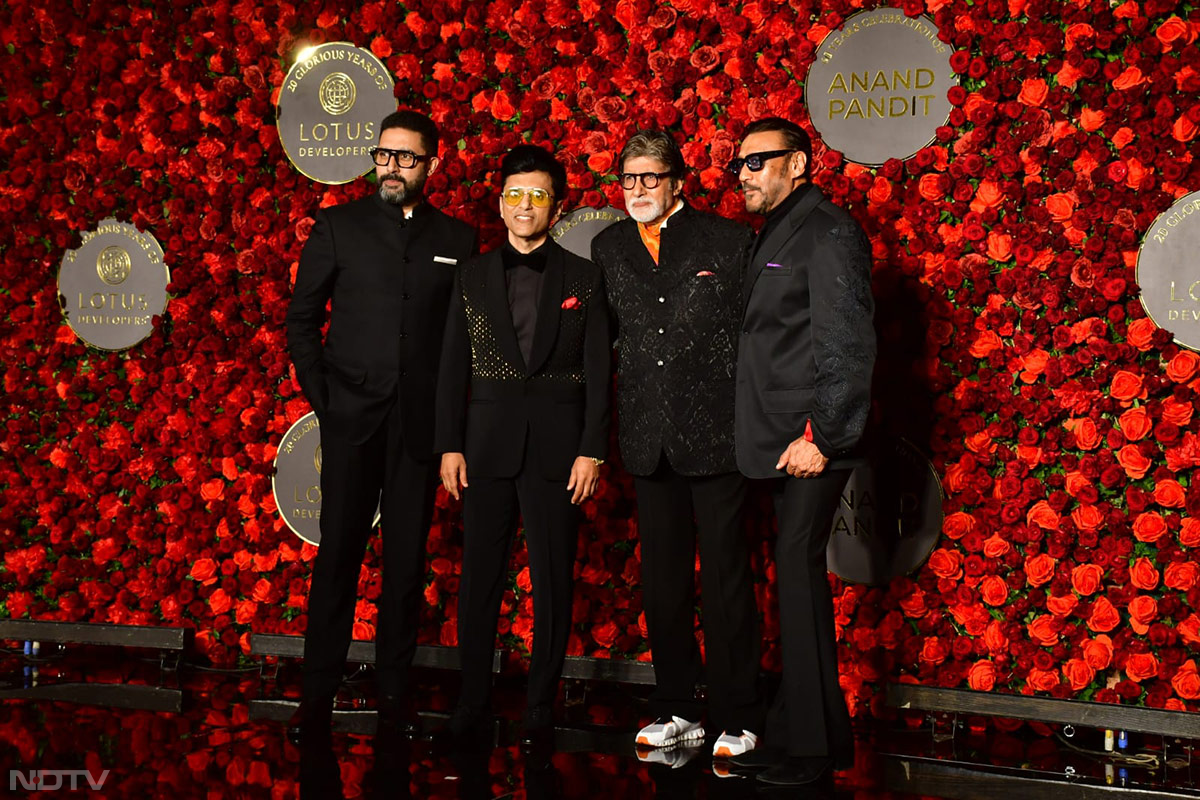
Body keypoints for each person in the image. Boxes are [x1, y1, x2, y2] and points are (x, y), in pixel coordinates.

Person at [285, 109, 475, 740]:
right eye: (385, 155)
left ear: (432, 165)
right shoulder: (337, 227)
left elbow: (460, 348)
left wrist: (450, 427)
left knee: (405, 565)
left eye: (407, 158)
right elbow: (302, 322)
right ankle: (315, 702)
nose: (392, 167)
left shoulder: (458, 238)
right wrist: (327, 400)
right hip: (351, 421)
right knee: (337, 557)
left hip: (417, 429)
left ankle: (395, 700)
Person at [590, 130, 763, 759]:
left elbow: (755, 336)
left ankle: (738, 716)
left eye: (650, 179)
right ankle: (676, 708)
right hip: (647, 440)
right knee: (662, 585)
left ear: (677, 182)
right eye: (629, 179)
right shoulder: (608, 247)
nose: (637, 190)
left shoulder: (727, 240)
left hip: (719, 436)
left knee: (725, 580)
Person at [435, 144, 611, 745]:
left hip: (559, 453)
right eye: (515, 194)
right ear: (501, 202)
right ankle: (472, 703)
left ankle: (540, 705)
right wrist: (449, 444)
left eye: (537, 194)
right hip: (484, 447)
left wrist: (592, 449)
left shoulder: (585, 278)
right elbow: (452, 367)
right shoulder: (471, 275)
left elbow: (598, 371)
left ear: (556, 206)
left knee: (554, 581)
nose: (525, 204)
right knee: (479, 578)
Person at [729, 117, 876, 787]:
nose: (744, 173)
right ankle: (799, 733)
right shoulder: (779, 232)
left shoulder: (829, 230)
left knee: (795, 567)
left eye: (758, 161)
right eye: (740, 163)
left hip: (812, 437)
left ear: (799, 164)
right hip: (779, 436)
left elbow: (847, 342)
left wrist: (823, 434)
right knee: (790, 575)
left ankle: (814, 751)